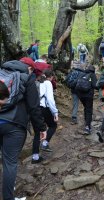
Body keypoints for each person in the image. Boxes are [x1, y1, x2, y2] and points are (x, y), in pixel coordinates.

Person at [0, 57, 47, 200]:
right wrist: (41, 128)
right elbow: (34, 107)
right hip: (14, 125)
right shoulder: (27, 79)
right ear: (29, 68)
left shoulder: (1, 73)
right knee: (10, 162)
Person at [32, 69, 58, 159]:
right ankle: (45, 143)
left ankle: (35, 157)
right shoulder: (48, 83)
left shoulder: (37, 81)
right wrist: (55, 112)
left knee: (37, 132)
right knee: (53, 125)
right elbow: (50, 99)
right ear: (50, 77)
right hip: (44, 108)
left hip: (35, 108)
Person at [75, 64, 97, 134]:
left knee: (86, 108)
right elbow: (94, 85)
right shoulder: (92, 75)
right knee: (89, 110)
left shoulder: (82, 73)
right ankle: (88, 126)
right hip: (88, 95)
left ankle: (86, 122)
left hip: (80, 95)